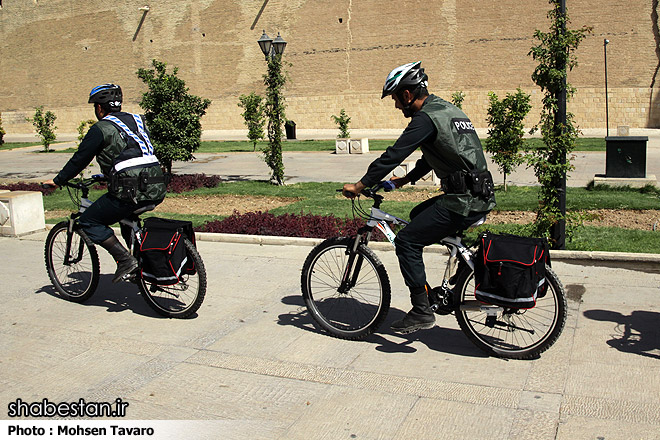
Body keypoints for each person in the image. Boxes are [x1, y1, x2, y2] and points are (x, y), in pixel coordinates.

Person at [342, 62, 496, 334]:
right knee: (417, 216)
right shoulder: (447, 110)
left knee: (406, 240)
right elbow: (433, 155)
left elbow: (394, 154)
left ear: (407, 94)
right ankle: (454, 280)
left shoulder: (424, 119)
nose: (396, 106)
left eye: (395, 98)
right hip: (478, 194)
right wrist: (404, 180)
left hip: (464, 200)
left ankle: (422, 311)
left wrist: (360, 184)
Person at [44, 84, 167, 283]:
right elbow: (134, 153)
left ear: (100, 108)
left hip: (129, 190)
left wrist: (58, 181)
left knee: (88, 221)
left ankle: (125, 260)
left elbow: (80, 159)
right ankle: (141, 264)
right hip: (157, 185)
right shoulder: (138, 120)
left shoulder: (101, 128)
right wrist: (109, 174)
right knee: (125, 217)